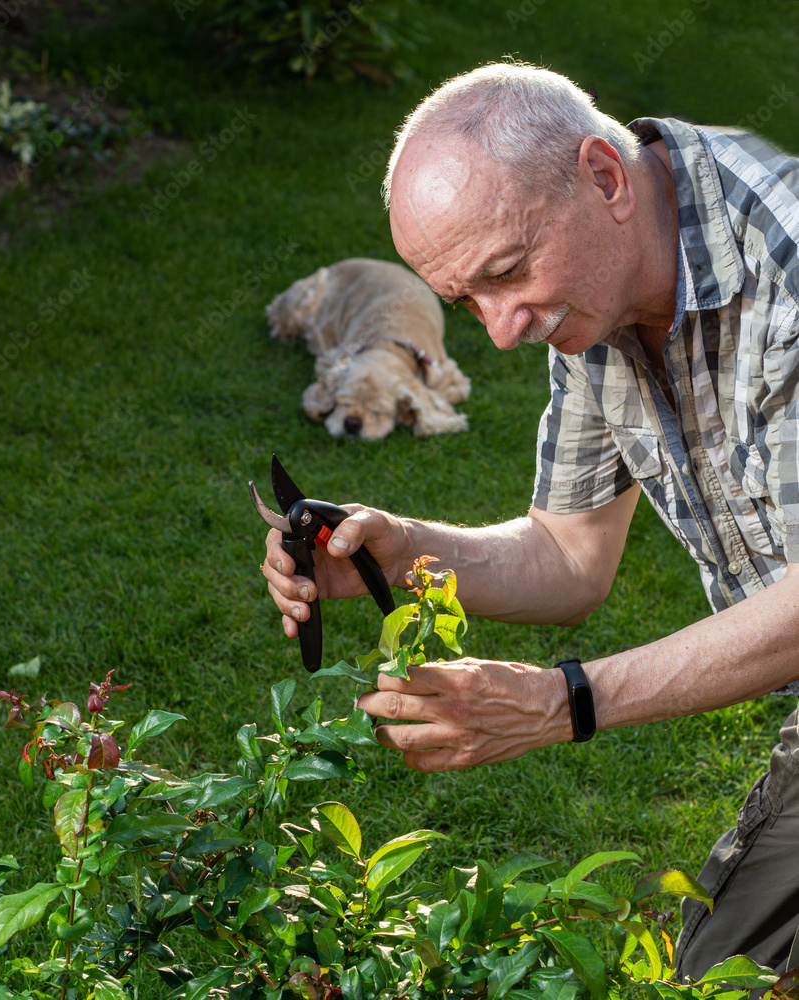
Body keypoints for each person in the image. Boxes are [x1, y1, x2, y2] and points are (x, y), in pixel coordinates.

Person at [260, 61, 799, 979]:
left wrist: (564, 702)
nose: (502, 329)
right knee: (718, 980)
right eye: (467, 299)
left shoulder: (784, 265)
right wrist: (400, 548)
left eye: (507, 273)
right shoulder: (596, 292)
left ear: (603, 177)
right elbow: (567, 554)